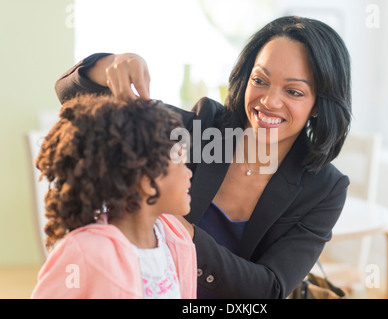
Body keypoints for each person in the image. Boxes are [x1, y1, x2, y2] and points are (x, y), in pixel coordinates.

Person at [54, 16, 352, 298]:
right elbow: (75, 97)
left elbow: (270, 289)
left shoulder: (325, 188)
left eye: (294, 92)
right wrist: (111, 64)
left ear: (318, 104)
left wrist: (184, 235)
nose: (270, 101)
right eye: (259, 80)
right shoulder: (201, 127)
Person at [31, 95, 196, 299]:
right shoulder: (86, 252)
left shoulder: (174, 239)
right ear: (148, 181)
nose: (189, 173)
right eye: (181, 163)